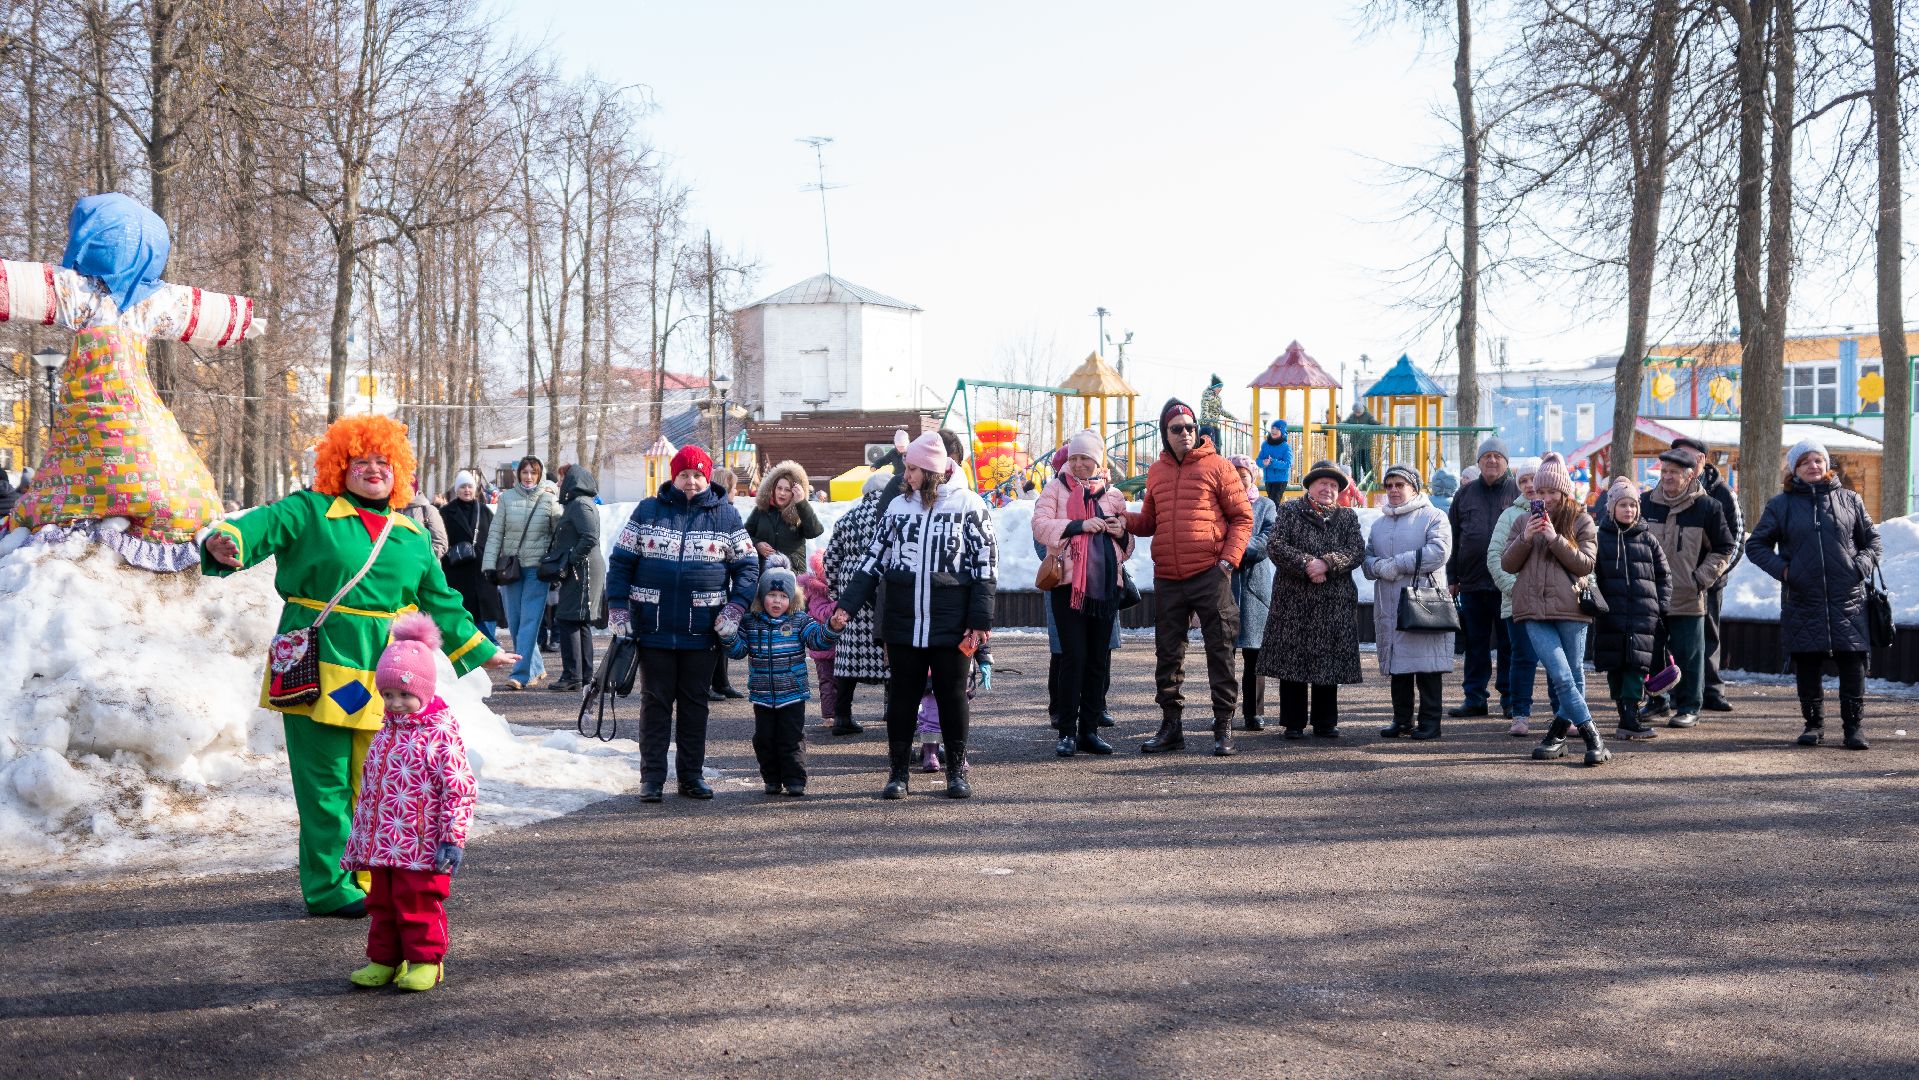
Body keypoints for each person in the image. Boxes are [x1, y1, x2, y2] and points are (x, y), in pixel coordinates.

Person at [201, 414, 513, 916]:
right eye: (360, 460)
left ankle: (371, 875)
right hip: (314, 664)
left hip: (384, 677)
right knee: (322, 782)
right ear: (338, 468)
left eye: (383, 461)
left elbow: (441, 600)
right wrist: (227, 541)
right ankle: (329, 888)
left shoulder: (410, 534)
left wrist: (481, 649)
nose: (373, 469)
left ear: (400, 470)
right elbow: (255, 526)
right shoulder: (309, 510)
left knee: (375, 779)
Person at [836, 431, 997, 799]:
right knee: (903, 696)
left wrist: (979, 621)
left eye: (910, 469)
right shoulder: (897, 508)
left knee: (952, 693)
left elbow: (986, 568)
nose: (904, 476)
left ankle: (956, 773)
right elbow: (871, 562)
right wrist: (845, 606)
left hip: (952, 620)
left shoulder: (970, 505)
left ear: (930, 470)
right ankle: (897, 774)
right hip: (903, 621)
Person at [606, 445, 759, 801]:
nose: (691, 482)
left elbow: (748, 566)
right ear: (673, 476)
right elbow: (622, 562)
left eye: (698, 475)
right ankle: (653, 779)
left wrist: (736, 607)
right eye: (684, 475)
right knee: (655, 704)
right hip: (654, 627)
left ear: (707, 478)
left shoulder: (726, 517)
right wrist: (617, 606)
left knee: (694, 705)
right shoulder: (648, 511)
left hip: (703, 629)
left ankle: (691, 776)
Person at [342, 614, 475, 992]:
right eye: (387, 695)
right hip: (382, 843)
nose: (395, 703)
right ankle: (384, 959)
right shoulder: (385, 734)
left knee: (417, 904)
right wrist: (362, 836)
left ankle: (425, 961)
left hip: (423, 843)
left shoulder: (439, 736)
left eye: (404, 694)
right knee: (381, 905)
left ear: (426, 691)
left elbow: (459, 788)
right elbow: (371, 792)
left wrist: (452, 837)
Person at [1125, 398, 1254, 756]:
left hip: (1210, 574)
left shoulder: (1219, 467)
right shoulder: (1156, 471)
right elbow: (1150, 522)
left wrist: (1228, 563)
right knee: (1167, 654)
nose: (1185, 434)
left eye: (1190, 427)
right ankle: (1171, 727)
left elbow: (1243, 518)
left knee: (1221, 650)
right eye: (1177, 429)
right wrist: (1123, 519)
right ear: (1165, 434)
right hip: (1168, 576)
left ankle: (1223, 725)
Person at [1745, 439, 1883, 750]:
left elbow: (1873, 541)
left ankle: (1854, 729)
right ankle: (1813, 725)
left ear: (1826, 465)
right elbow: (1755, 546)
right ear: (1794, 469)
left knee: (1853, 662)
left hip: (1847, 597)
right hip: (1803, 597)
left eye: (1818, 460)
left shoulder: (1851, 499)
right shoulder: (1780, 505)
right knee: (1807, 662)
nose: (1813, 466)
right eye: (1805, 462)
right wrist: (1785, 572)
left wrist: (1859, 565)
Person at [1501, 454, 1607, 766]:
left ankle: (1556, 736)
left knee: (1572, 675)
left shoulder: (1581, 520)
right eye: (1539, 492)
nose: (1544, 499)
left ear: (1564, 492)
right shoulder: (1523, 522)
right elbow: (1508, 563)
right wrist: (1526, 538)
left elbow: (1586, 563)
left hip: (1572, 607)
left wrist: (1554, 538)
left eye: (1551, 493)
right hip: (1532, 609)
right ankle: (1593, 737)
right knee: (1561, 674)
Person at [1032, 430, 1132, 757]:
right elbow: (1040, 526)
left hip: (1104, 587)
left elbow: (1127, 548)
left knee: (1096, 660)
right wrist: (1077, 526)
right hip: (1067, 587)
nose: (1078, 464)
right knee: (1072, 658)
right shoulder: (1055, 489)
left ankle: (1089, 730)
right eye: (1074, 457)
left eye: (1085, 458)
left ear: (1097, 460)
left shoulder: (1114, 496)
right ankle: (1066, 732)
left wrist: (1120, 533)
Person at [1261, 460, 1366, 738]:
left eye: (1333, 485)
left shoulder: (1347, 517)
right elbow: (1276, 545)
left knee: (1327, 662)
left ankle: (1325, 722)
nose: (1328, 489)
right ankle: (1293, 723)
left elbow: (1356, 550)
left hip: (1333, 601)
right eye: (1323, 483)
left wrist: (1328, 564)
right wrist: (1309, 564)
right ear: (1310, 486)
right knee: (1293, 661)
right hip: (1294, 599)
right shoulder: (1290, 510)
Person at [721, 565, 846, 796]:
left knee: (791, 738)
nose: (776, 601)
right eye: (771, 595)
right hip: (763, 695)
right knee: (764, 739)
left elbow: (818, 640)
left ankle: (795, 779)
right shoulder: (752, 621)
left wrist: (832, 627)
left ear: (792, 599)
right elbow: (738, 651)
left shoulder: (799, 620)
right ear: (761, 597)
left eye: (782, 596)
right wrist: (727, 635)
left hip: (793, 693)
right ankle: (771, 778)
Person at [1636, 446, 1736, 729]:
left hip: (1687, 595)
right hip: (1650, 595)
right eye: (1664, 471)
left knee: (1689, 654)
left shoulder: (1708, 508)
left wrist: (1700, 579)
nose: (1667, 477)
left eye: (1674, 473)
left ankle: (1690, 706)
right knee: (1651, 654)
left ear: (1690, 475)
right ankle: (1657, 701)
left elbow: (1724, 548)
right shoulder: (1644, 503)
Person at [1363, 464, 1453, 739]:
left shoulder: (1434, 516)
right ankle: (1401, 720)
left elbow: (1438, 552)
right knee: (1398, 665)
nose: (1392, 490)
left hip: (1422, 601)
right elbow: (1366, 561)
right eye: (1388, 485)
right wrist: (1380, 567)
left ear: (1414, 487)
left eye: (1399, 485)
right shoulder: (1378, 524)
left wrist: (1396, 565)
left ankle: (1430, 722)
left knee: (1427, 666)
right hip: (1389, 603)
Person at [1592, 477, 1670, 742]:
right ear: (1611, 507)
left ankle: (1630, 716)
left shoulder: (1648, 540)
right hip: (1610, 615)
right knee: (1617, 665)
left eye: (1633, 505)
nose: (1629, 510)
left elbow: (1663, 574)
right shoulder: (1599, 538)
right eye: (1623, 505)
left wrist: (1660, 605)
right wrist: (1596, 603)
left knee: (1637, 666)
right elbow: (1591, 574)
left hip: (1642, 615)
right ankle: (1624, 714)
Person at [1670, 436, 1743, 713]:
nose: (1678, 460)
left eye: (1685, 455)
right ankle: (1677, 689)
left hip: (1708, 580)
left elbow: (1735, 540)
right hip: (1674, 580)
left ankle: (1711, 689)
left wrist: (1708, 576)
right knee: (1675, 637)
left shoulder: (1722, 493)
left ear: (1701, 459)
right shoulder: (1667, 489)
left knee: (1709, 635)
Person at [1448, 438, 1520, 719]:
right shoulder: (1464, 495)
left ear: (1506, 462)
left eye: (1497, 456)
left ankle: (1511, 699)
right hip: (1472, 583)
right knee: (1475, 645)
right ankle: (1475, 697)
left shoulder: (1517, 493)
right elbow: (1454, 538)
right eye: (1486, 456)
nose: (1492, 461)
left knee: (1509, 645)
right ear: (1478, 463)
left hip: (1508, 585)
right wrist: (1452, 576)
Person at [821, 470, 896, 736]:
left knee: (848, 655)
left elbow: (830, 560)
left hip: (851, 587)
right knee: (890, 648)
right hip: (882, 584)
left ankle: (842, 716)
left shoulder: (847, 518)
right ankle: (892, 710)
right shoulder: (893, 514)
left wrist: (835, 592)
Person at [482, 455, 560, 690]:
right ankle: (536, 666)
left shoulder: (548, 500)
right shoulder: (507, 499)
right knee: (515, 622)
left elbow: (559, 532)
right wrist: (488, 565)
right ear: (518, 475)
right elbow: (496, 533)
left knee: (529, 621)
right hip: (511, 570)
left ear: (540, 475)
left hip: (537, 571)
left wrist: (555, 563)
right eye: (524, 472)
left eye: (533, 473)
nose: (528, 477)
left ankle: (521, 674)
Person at [1487, 460, 1546, 736]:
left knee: (1561, 661)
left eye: (1533, 479)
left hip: (1553, 601)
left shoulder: (1558, 510)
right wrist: (1516, 589)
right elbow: (1495, 558)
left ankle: (1565, 714)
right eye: (1523, 481)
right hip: (1518, 601)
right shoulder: (1509, 515)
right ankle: (1519, 712)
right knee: (1521, 658)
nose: (1529, 485)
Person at [540, 465, 604, 693]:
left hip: (582, 569)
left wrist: (570, 559)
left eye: (561, 479)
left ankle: (573, 675)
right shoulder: (580, 504)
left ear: (571, 480)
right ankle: (583, 675)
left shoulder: (579, 505)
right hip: (583, 568)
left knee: (568, 619)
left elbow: (589, 537)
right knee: (578, 621)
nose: (558, 484)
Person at [1226, 454, 1277, 731]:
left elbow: (1267, 539)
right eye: (1234, 472)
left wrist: (1235, 550)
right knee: (1225, 654)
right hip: (1226, 585)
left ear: (1252, 476)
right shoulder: (1219, 504)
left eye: (1243, 472)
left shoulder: (1266, 505)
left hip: (1256, 586)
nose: (1239, 476)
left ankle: (1254, 712)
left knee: (1254, 655)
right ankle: (1225, 711)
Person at [439, 471, 504, 644]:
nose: (466, 490)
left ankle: (490, 646)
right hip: (456, 571)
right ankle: (469, 647)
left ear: (475, 489)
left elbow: (495, 538)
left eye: (469, 486)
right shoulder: (445, 512)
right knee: (463, 611)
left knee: (486, 610)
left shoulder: (485, 511)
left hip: (483, 570)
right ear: (456, 489)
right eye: (462, 486)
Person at [746, 460, 825, 570]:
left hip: (793, 574)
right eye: (779, 488)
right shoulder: (761, 510)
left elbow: (815, 531)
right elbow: (744, 535)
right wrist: (757, 544)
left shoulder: (800, 510)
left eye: (787, 490)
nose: (782, 493)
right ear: (773, 489)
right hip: (765, 573)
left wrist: (802, 503)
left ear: (794, 492)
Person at [800, 551, 842, 730]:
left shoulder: (832, 591)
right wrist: (839, 604)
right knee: (827, 682)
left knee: (838, 683)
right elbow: (822, 614)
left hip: (835, 647)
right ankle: (829, 715)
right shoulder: (818, 593)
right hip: (823, 648)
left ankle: (838, 713)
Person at [400, 489, 448, 559]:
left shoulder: (428, 510)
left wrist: (421, 558)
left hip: (423, 565)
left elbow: (440, 543)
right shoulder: (392, 509)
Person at [1256, 419, 1293, 504]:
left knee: (1274, 503)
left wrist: (1273, 462)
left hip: (1280, 480)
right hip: (1268, 479)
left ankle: (1274, 517)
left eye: (1277, 428)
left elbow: (1288, 464)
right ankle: (1275, 517)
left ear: (1282, 431)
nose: (1274, 430)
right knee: (1270, 502)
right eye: (1273, 428)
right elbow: (1258, 460)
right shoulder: (1265, 445)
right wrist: (1263, 462)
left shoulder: (1286, 447)